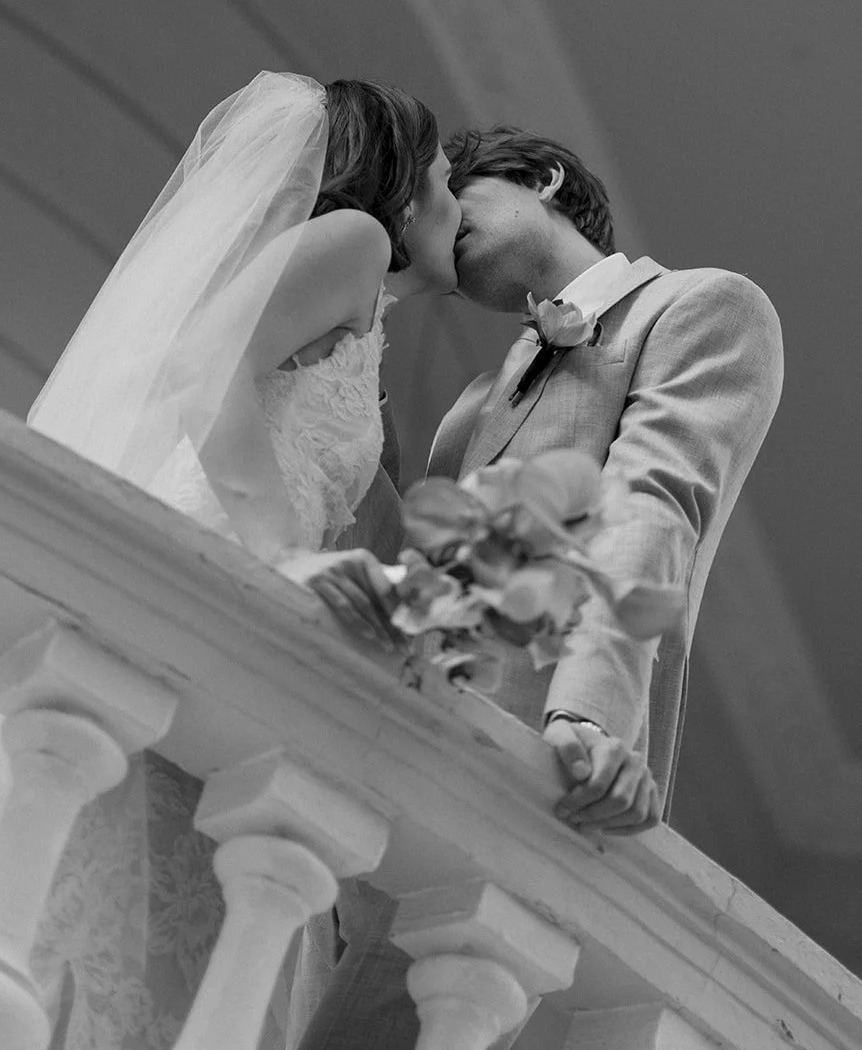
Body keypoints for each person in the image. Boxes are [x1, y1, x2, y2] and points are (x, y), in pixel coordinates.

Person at [0, 71, 459, 1050]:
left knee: (132, 898)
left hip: (230, 604)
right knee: (104, 882)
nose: (458, 204)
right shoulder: (353, 241)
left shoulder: (358, 300)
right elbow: (204, 366)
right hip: (214, 571)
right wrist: (279, 557)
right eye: (446, 179)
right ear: (402, 192)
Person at [291, 123, 784, 1050]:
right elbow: (416, 573)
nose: (437, 219)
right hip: (395, 762)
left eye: (459, 191)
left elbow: (651, 510)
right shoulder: (472, 404)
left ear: (543, 180)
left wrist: (589, 717)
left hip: (531, 768)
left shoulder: (699, 305)